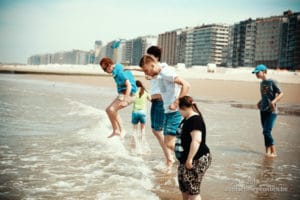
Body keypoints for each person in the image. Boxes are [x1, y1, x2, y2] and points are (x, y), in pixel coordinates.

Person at [139, 54, 190, 167]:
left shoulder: (166, 72)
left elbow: (186, 85)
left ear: (152, 65)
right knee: (168, 142)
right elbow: (166, 90)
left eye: (146, 70)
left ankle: (191, 157)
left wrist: (176, 102)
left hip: (174, 113)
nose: (146, 74)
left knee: (170, 143)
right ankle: (187, 157)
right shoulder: (161, 74)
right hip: (168, 112)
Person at [175, 95, 211, 200]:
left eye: (179, 108)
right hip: (185, 159)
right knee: (184, 187)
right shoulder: (186, 119)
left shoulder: (195, 120)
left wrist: (190, 159)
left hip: (197, 158)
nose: (178, 111)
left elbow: (196, 140)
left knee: (193, 190)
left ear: (183, 108)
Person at [100, 57, 137, 138]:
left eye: (105, 69)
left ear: (109, 65)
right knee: (108, 110)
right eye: (103, 70)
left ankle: (122, 130)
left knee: (112, 109)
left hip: (130, 94)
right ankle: (116, 130)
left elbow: (129, 86)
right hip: (122, 94)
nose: (105, 71)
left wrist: (125, 100)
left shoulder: (119, 73)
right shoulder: (116, 68)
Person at [252, 64, 283, 157]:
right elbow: (265, 96)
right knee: (265, 132)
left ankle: (274, 151)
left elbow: (281, 93)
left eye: (258, 72)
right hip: (263, 110)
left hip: (272, 111)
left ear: (264, 71)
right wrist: (259, 102)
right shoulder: (262, 83)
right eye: (255, 73)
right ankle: (267, 152)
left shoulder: (272, 81)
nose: (256, 74)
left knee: (266, 131)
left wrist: (273, 102)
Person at [131, 80, 151, 150]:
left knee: (134, 129)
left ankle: (134, 144)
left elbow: (130, 100)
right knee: (143, 129)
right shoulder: (145, 92)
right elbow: (150, 99)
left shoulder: (134, 92)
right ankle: (143, 144)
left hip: (135, 112)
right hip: (143, 113)